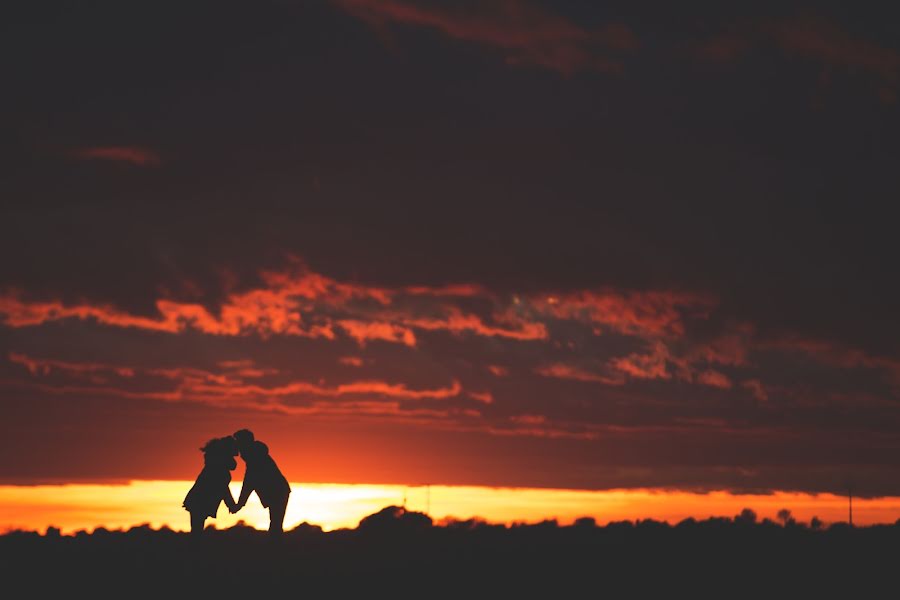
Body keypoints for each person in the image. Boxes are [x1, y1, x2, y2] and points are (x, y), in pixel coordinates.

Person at [231, 429, 291, 535]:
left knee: (275, 525)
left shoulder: (255, 459)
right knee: (275, 525)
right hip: (279, 490)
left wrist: (239, 504)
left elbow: (248, 484)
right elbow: (249, 483)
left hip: (278, 491)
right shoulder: (255, 456)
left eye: (239, 442)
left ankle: (276, 548)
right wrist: (240, 504)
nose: (237, 447)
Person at [182, 436, 239, 535]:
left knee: (197, 531)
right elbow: (223, 488)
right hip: (200, 500)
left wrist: (231, 505)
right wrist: (231, 505)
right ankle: (193, 550)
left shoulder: (216, 465)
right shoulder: (217, 468)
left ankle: (194, 549)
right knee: (197, 532)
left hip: (199, 500)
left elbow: (223, 487)